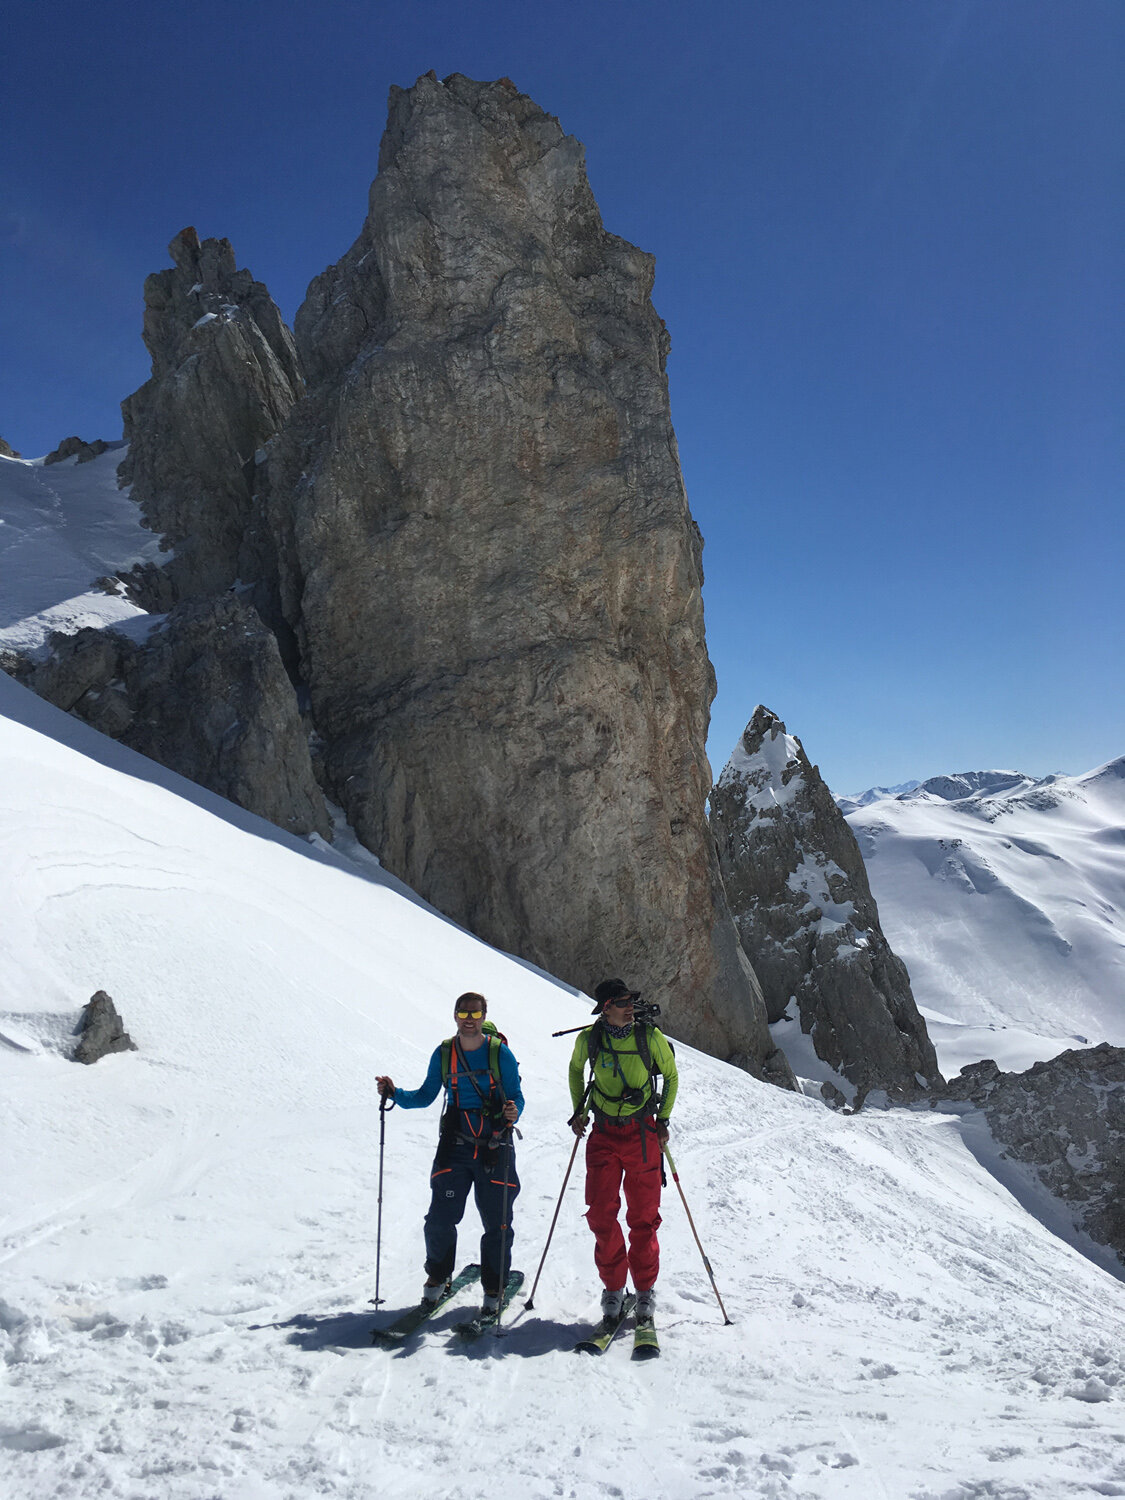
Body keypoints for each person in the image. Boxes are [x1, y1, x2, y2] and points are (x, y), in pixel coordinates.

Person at [376, 992, 523, 1315]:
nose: (469, 1019)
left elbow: (516, 1096)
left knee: (497, 1222)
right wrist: (395, 1094)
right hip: (455, 1146)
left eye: (476, 1013)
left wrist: (514, 1112)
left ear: (484, 1016)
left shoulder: (500, 1054)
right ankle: (438, 1275)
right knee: (439, 1218)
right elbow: (426, 1095)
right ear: (455, 1015)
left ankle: (494, 1286)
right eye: (464, 1013)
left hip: (495, 1145)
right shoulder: (444, 1054)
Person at [568, 977, 677, 1324]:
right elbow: (575, 1070)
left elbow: (671, 1076)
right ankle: (614, 1288)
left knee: (643, 1217)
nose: (630, 1008)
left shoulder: (649, 1036)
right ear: (605, 1009)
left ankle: (644, 1290)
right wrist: (579, 1110)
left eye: (631, 1001)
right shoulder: (590, 1039)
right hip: (603, 1133)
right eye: (622, 1003)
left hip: (641, 1133)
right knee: (601, 1214)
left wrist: (663, 1119)